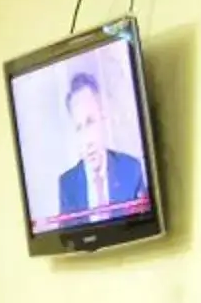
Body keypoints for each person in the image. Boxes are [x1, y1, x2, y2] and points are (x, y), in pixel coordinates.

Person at [56, 70, 149, 219]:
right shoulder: (67, 186)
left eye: (90, 122)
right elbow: (68, 241)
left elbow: (143, 227)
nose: (87, 140)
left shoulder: (131, 169)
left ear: (103, 119)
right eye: (79, 128)